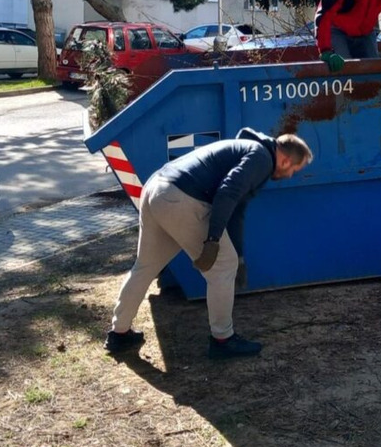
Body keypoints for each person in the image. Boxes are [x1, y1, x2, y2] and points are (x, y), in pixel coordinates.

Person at [105, 128, 314, 359]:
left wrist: (240, 256)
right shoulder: (262, 158)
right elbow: (227, 193)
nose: (292, 174)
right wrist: (213, 239)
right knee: (223, 267)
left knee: (145, 266)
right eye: (295, 168)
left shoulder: (249, 150)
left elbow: (237, 209)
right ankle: (223, 340)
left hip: (156, 188)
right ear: (284, 159)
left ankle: (119, 333)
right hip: (180, 198)